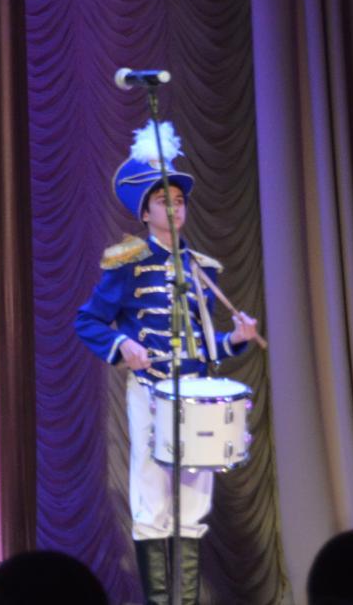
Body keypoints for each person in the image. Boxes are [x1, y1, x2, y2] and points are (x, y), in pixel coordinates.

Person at [73, 122, 262, 605]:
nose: (175, 208)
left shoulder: (200, 268)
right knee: (152, 502)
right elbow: (88, 321)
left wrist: (235, 339)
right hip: (151, 391)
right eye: (164, 201)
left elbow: (204, 345)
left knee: (194, 507)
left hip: (195, 394)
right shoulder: (128, 263)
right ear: (146, 211)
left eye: (179, 201)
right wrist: (122, 344)